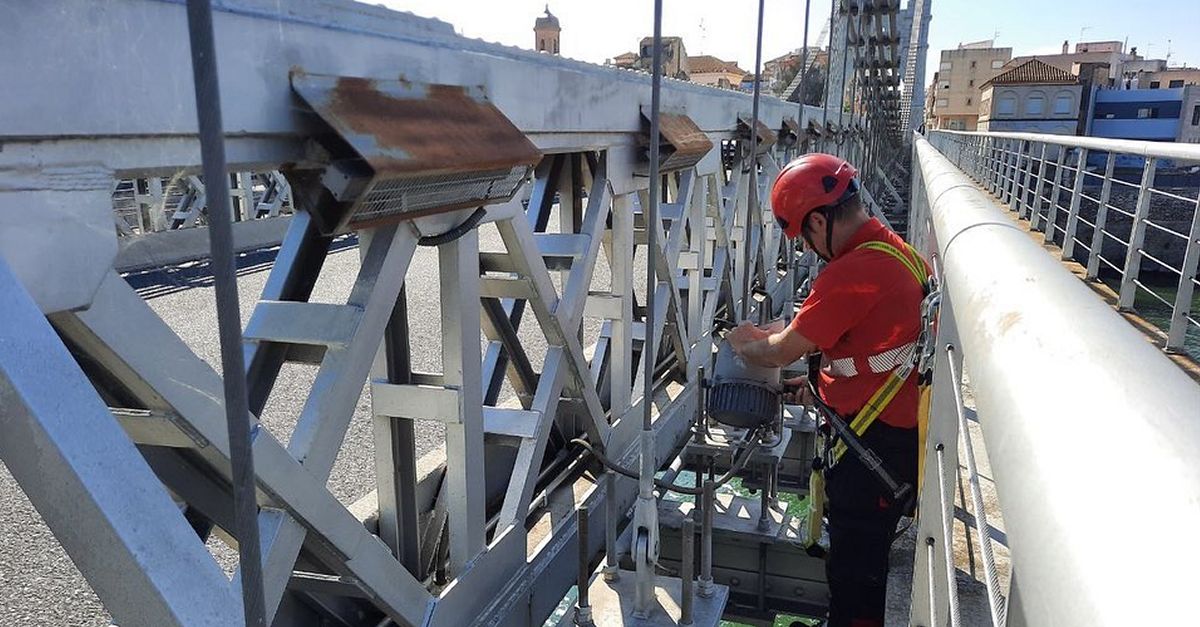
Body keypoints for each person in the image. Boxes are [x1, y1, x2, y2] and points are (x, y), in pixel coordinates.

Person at [727, 153, 929, 627]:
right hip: (890, 426)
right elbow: (880, 351)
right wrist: (819, 383)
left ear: (819, 220)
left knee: (856, 572)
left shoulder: (854, 271)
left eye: (805, 238)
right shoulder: (898, 251)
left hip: (872, 450)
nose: (810, 251)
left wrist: (743, 345)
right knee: (861, 566)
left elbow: (779, 351)